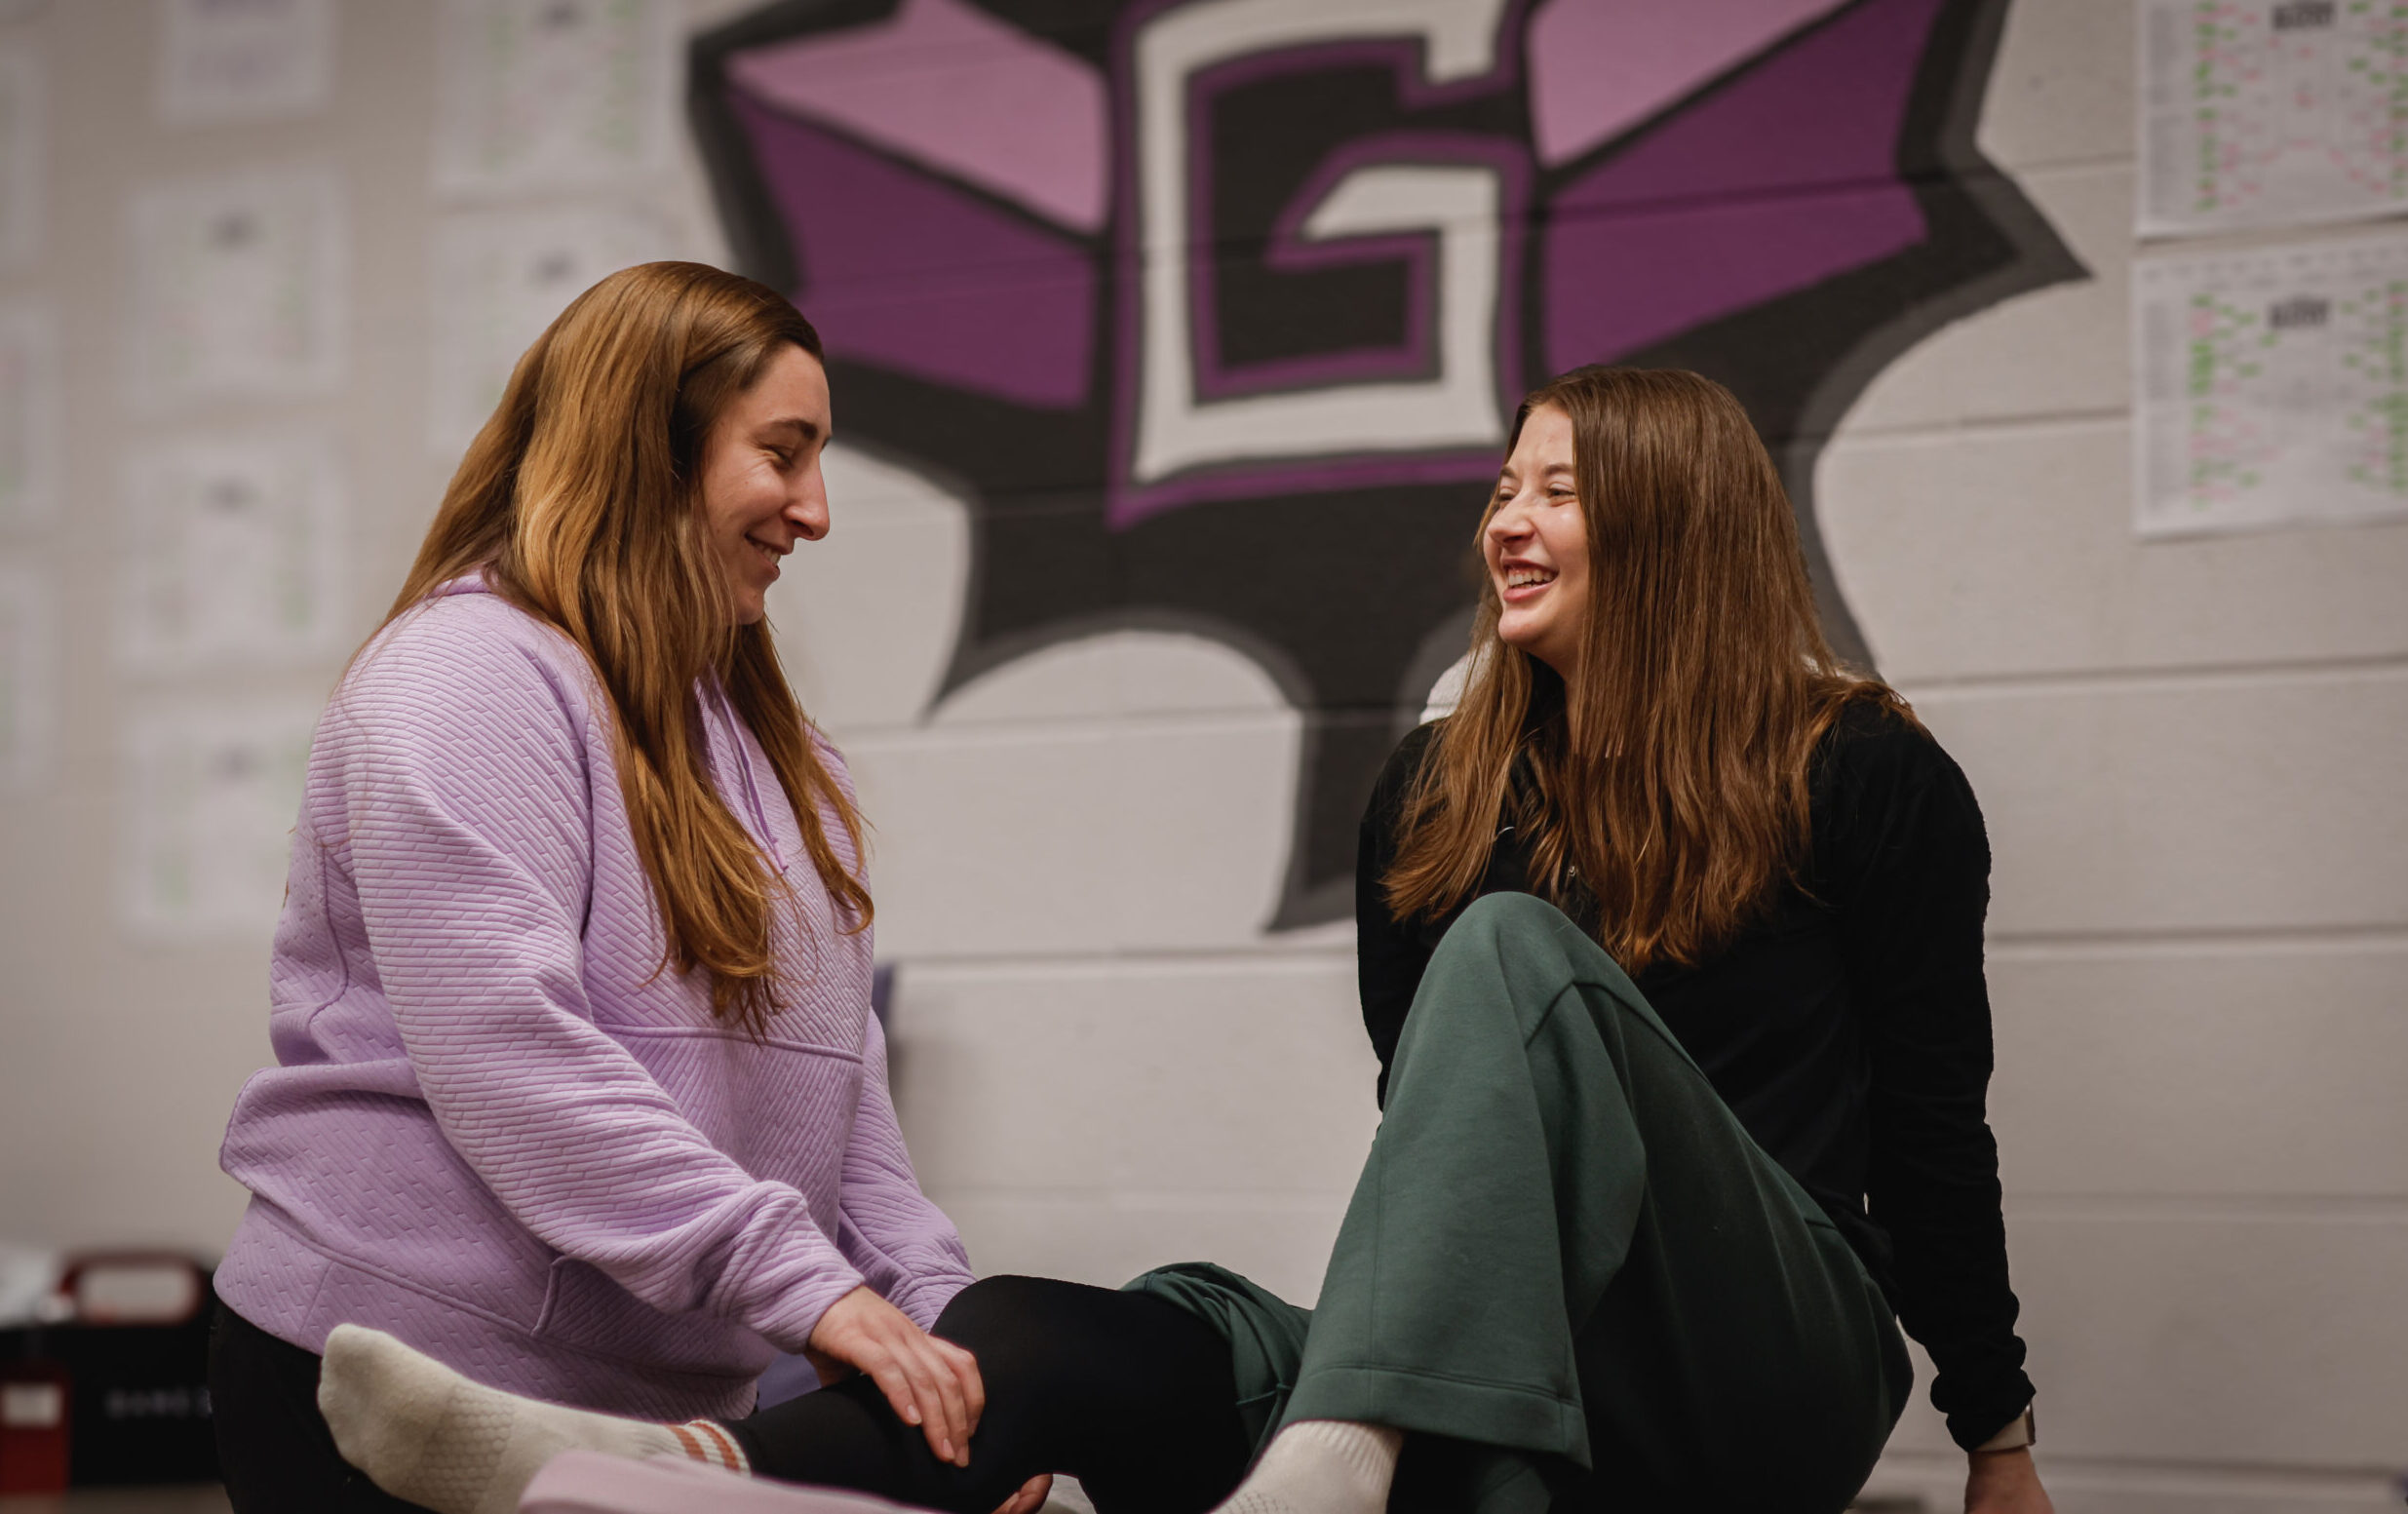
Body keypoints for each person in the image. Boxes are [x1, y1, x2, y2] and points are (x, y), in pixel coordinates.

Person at [317, 366, 2051, 1514]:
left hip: (1766, 1365)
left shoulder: (1863, 772)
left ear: (1675, 525)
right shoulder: (1441, 794)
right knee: (1070, 1333)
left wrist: (1996, 1432)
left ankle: (1336, 1449)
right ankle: (672, 1473)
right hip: (1538, 1368)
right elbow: (1447, 1147)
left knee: (1516, 961)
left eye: (1559, 489)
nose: (1504, 522)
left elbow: (1930, 1129)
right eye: (1502, 484)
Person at [208, 262, 1048, 1514]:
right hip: (393, 1373)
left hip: (659, 1417)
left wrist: (943, 1341)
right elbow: (514, 1061)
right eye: (782, 453)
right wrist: (808, 1288)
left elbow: (840, 1099)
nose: (815, 510)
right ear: (648, 450)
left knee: (1085, 1357)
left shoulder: (781, 754)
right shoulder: (464, 675)